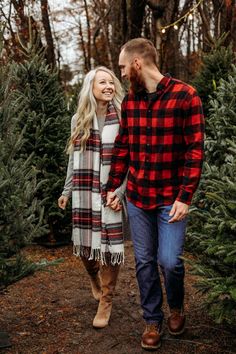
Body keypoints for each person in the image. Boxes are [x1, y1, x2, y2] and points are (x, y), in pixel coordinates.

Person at [106, 38, 205, 350]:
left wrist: (185, 197)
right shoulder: (131, 102)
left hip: (170, 199)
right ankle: (153, 319)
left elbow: (195, 150)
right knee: (145, 261)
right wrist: (113, 188)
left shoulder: (186, 96)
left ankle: (175, 306)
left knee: (170, 261)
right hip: (138, 196)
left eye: (122, 67)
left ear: (137, 63)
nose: (121, 74)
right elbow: (123, 147)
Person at [58, 66, 126, 329]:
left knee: (110, 251)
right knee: (87, 250)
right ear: (91, 87)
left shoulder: (122, 116)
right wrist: (67, 191)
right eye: (102, 82)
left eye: (112, 82)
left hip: (111, 193)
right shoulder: (79, 119)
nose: (109, 86)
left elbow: (129, 159)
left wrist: (120, 191)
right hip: (85, 193)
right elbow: (73, 160)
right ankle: (93, 277)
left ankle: (106, 301)